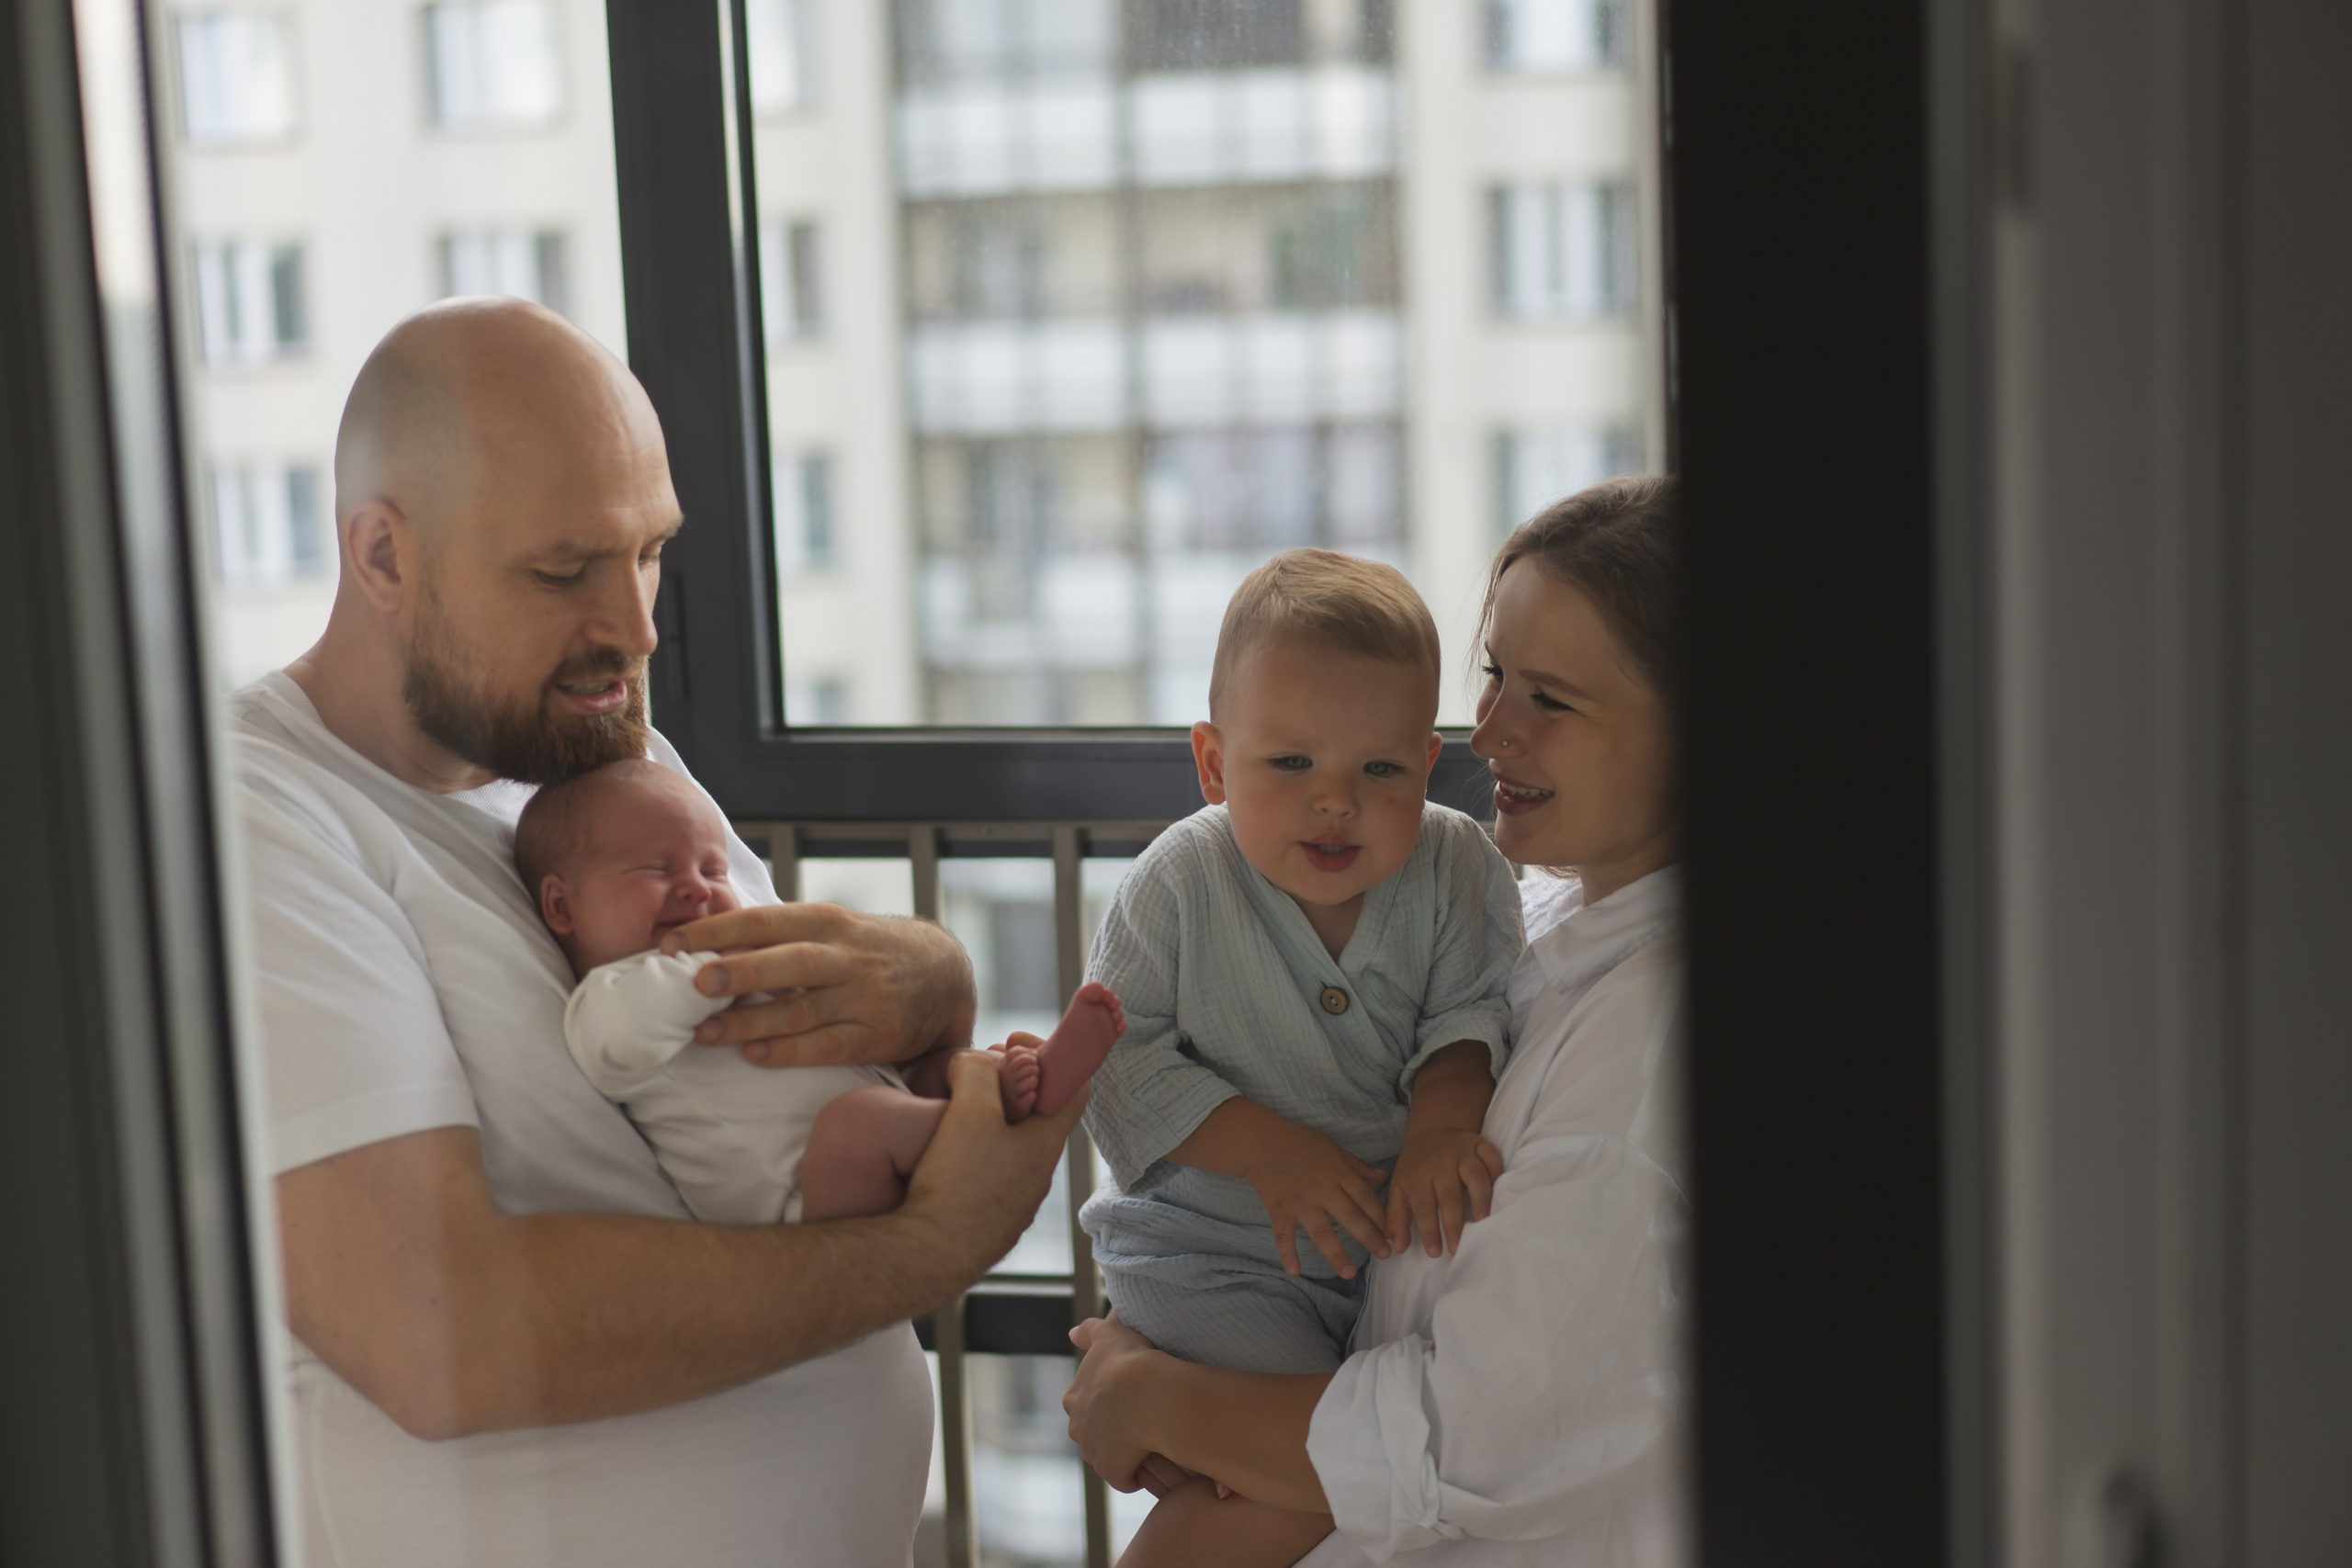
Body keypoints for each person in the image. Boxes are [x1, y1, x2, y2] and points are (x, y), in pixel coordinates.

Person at [234, 296, 1086, 1567]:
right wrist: (926, 1249)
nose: (635, 628)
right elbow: (438, 1328)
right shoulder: (254, 815)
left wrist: (933, 983)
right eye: (564, 569)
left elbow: (787, 1071)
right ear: (383, 557)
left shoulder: (591, 750)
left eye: (648, 554)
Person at [1064, 475, 1686, 1567]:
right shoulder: (1534, 902)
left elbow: (1465, 1443)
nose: (1486, 731)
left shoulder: (1645, 1062)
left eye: (1550, 698)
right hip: (1243, 1281)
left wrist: (1152, 1398)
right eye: (1495, 678)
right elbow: (1128, 1059)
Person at [1076, 549, 1525, 1565]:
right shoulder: (1178, 882)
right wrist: (1270, 1153)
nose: (1335, 804)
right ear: (1212, 762)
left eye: (1378, 771)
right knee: (1311, 1470)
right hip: (1209, 1258)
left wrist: (1442, 1126)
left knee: (1317, 1465)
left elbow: (1468, 1015)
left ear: (1427, 759)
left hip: (1362, 1264)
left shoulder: (1457, 866)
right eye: (1289, 766)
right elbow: (1117, 1062)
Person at [522, 758, 1125, 1224]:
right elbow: (630, 1029)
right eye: (656, 871)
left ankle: (1010, 1084)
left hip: (878, 1132)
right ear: (562, 904)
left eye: (712, 870)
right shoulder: (604, 999)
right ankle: (986, 1126)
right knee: (858, 1118)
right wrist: (719, 967)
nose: (696, 891)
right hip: (800, 1204)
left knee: (942, 1065)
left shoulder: (732, 958)